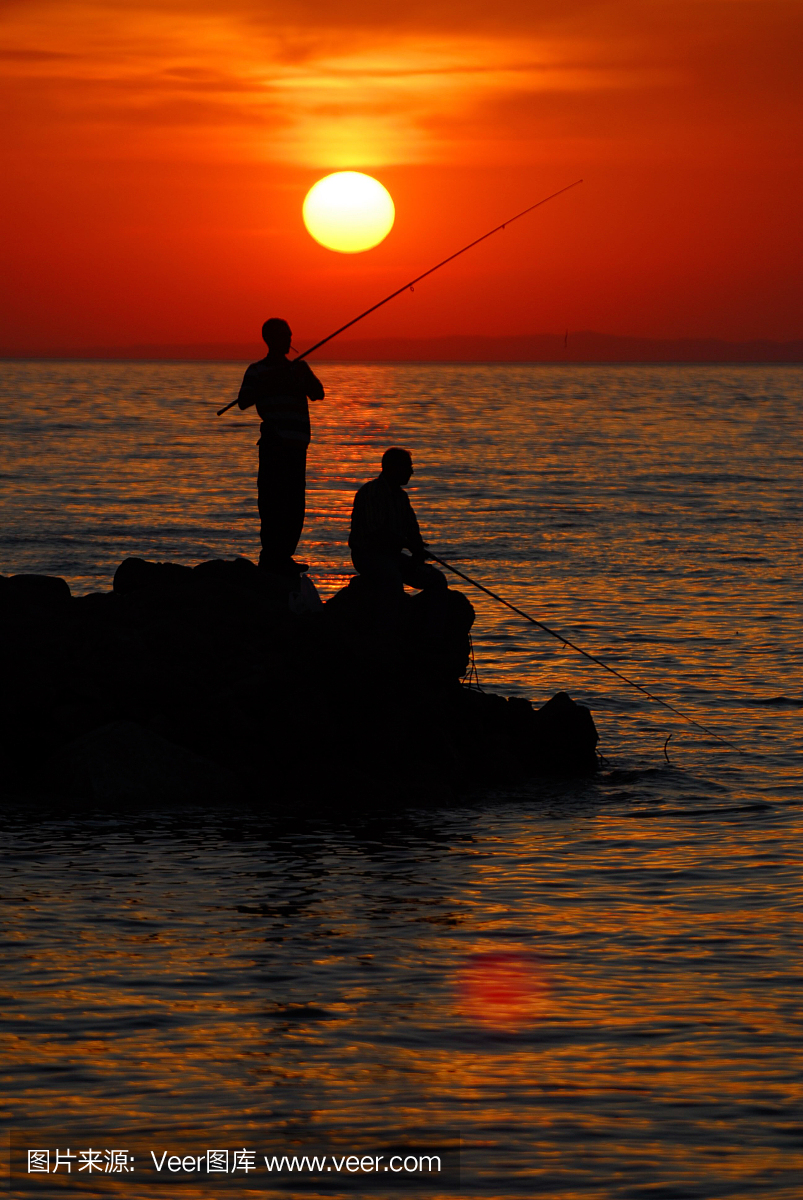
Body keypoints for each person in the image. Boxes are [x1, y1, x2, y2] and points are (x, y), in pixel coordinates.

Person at [237, 318, 324, 576]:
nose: (289, 340)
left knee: (295, 505)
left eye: (289, 335)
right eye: (285, 336)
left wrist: (301, 376)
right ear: (271, 340)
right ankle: (272, 557)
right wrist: (272, 383)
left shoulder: (299, 367)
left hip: (298, 449)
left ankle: (284, 555)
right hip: (275, 445)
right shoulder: (257, 371)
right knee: (273, 502)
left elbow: (318, 393)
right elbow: (243, 401)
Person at [349, 447, 447, 601]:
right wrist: (407, 543)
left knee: (437, 579)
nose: (411, 472)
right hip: (367, 557)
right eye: (408, 467)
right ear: (393, 468)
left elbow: (412, 528)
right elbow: (375, 534)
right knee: (392, 578)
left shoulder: (402, 498)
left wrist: (417, 549)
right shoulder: (371, 492)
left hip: (393, 557)